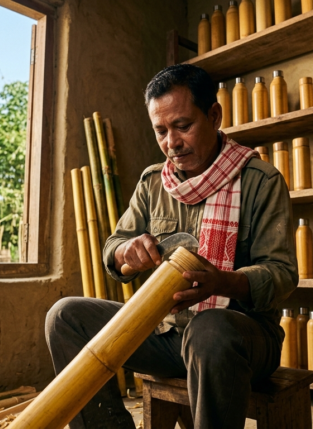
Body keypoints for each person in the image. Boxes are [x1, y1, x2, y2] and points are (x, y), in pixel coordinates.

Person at [45, 64, 298, 429]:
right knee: (64, 316)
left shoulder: (261, 181)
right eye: (160, 131)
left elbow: (282, 275)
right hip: (166, 335)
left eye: (183, 126)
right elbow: (113, 247)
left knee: (208, 329)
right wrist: (125, 251)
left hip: (239, 340)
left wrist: (224, 283)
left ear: (214, 115)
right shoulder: (152, 183)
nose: (171, 143)